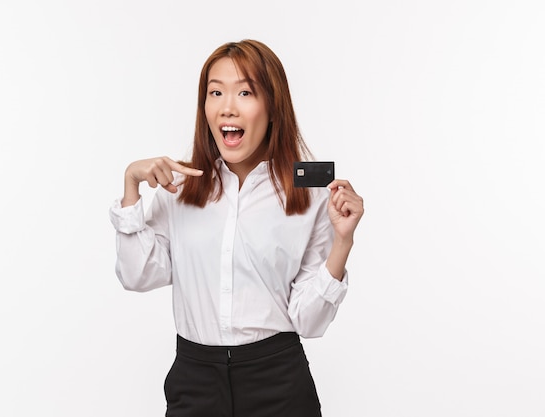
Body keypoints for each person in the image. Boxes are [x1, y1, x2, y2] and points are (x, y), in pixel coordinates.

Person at [109, 39, 364, 417]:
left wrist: (343, 243)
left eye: (245, 92)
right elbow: (136, 275)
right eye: (216, 92)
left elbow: (308, 323)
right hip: (195, 381)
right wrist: (131, 186)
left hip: (278, 381)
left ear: (273, 106)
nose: (227, 106)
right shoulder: (178, 188)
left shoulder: (307, 196)